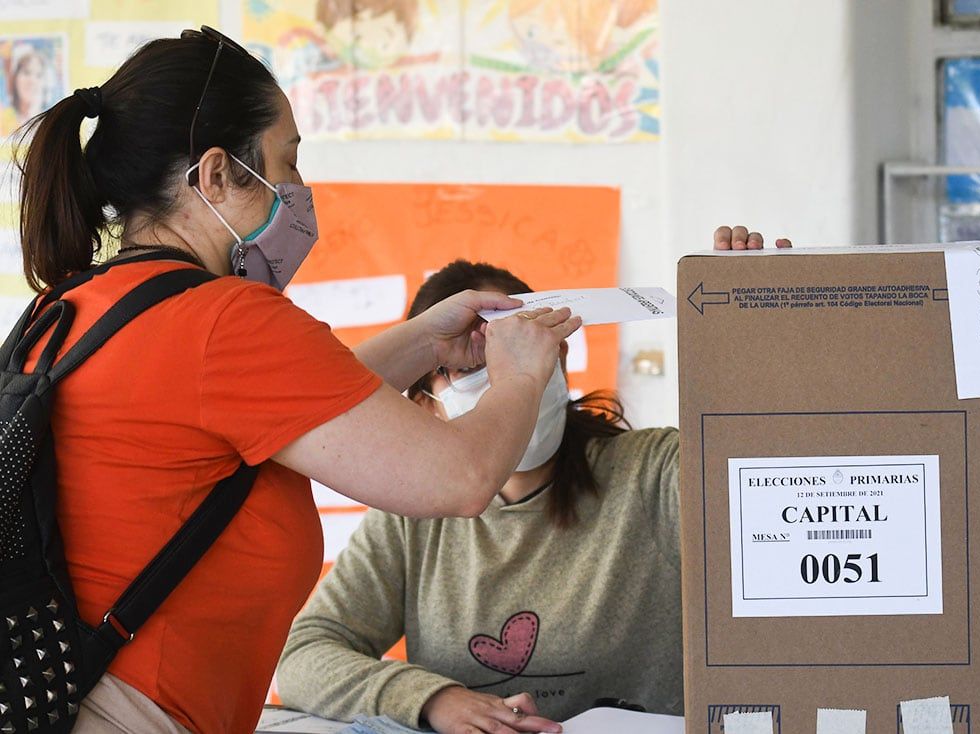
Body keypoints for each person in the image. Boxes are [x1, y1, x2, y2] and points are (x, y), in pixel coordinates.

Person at [13, 27, 580, 734]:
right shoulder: (224, 320)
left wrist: (428, 335)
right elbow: (460, 478)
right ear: (215, 174)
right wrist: (522, 373)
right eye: (287, 162)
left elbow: (285, 421)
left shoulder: (75, 309)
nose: (301, 192)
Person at [278, 229, 791, 734]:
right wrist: (433, 698)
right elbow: (305, 655)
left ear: (563, 362)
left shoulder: (651, 471)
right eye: (473, 369)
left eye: (527, 359)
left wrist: (758, 337)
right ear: (425, 402)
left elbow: (775, 485)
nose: (511, 385)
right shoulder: (411, 515)